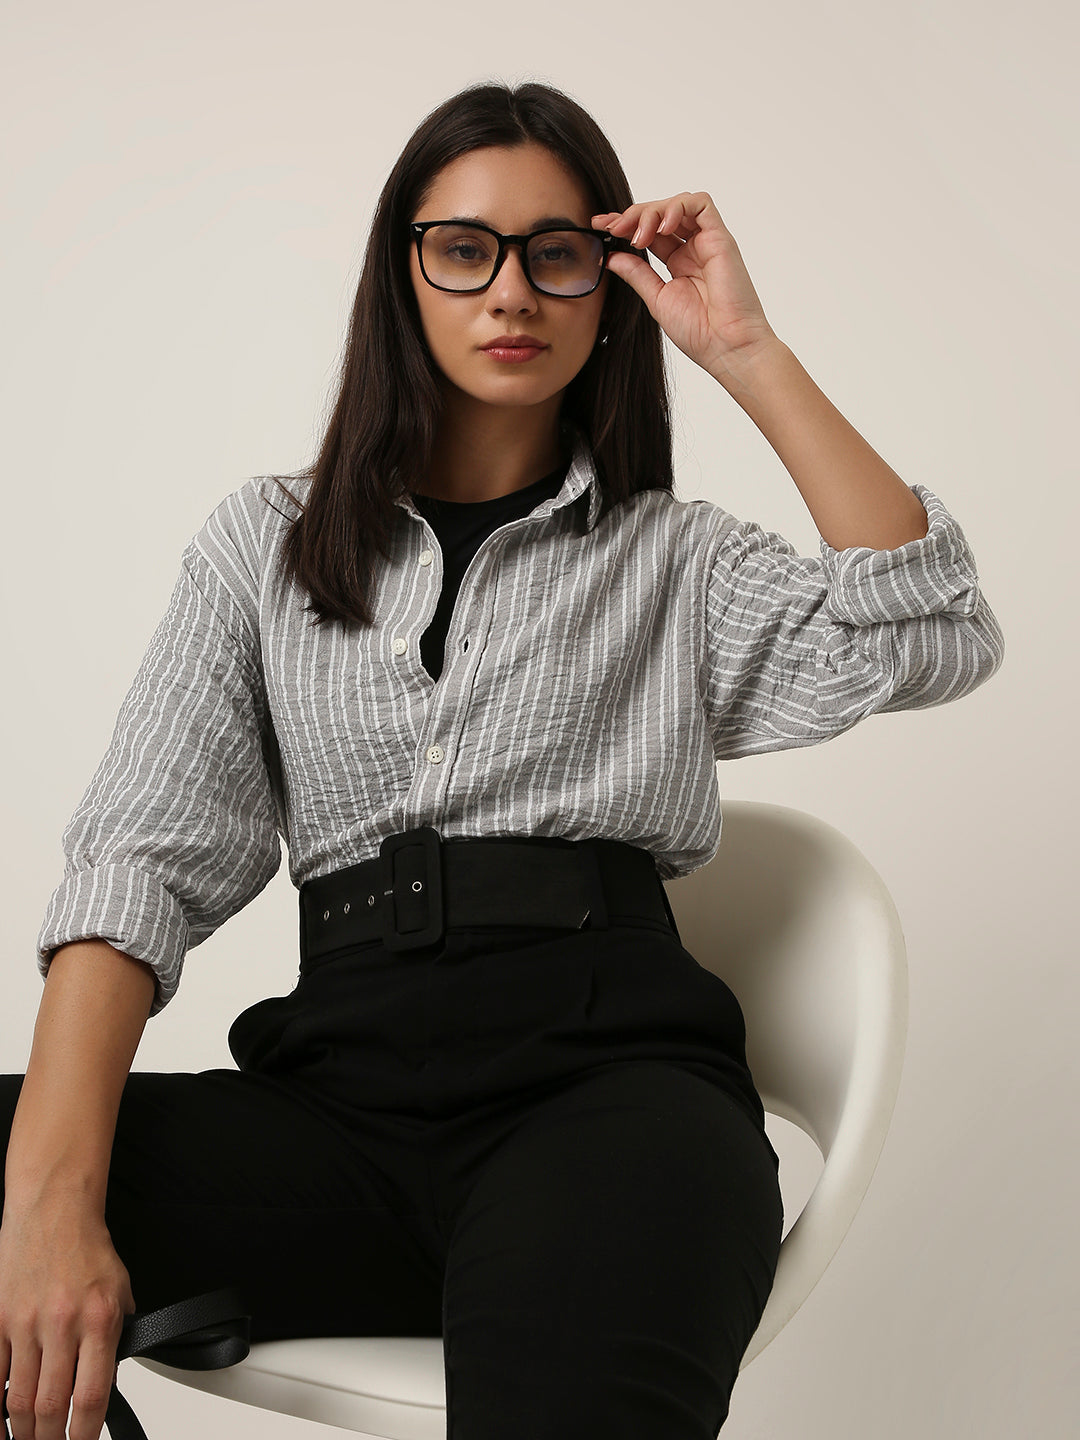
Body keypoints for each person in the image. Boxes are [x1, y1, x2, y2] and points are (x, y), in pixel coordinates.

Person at [0, 78, 1005, 1440]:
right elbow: (135, 870)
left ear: (611, 280)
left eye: (560, 252)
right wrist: (50, 1207)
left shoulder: (678, 560)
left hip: (609, 1100)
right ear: (403, 272)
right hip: (337, 1112)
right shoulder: (264, 550)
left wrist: (747, 347)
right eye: (465, 248)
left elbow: (935, 632)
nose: (511, 291)